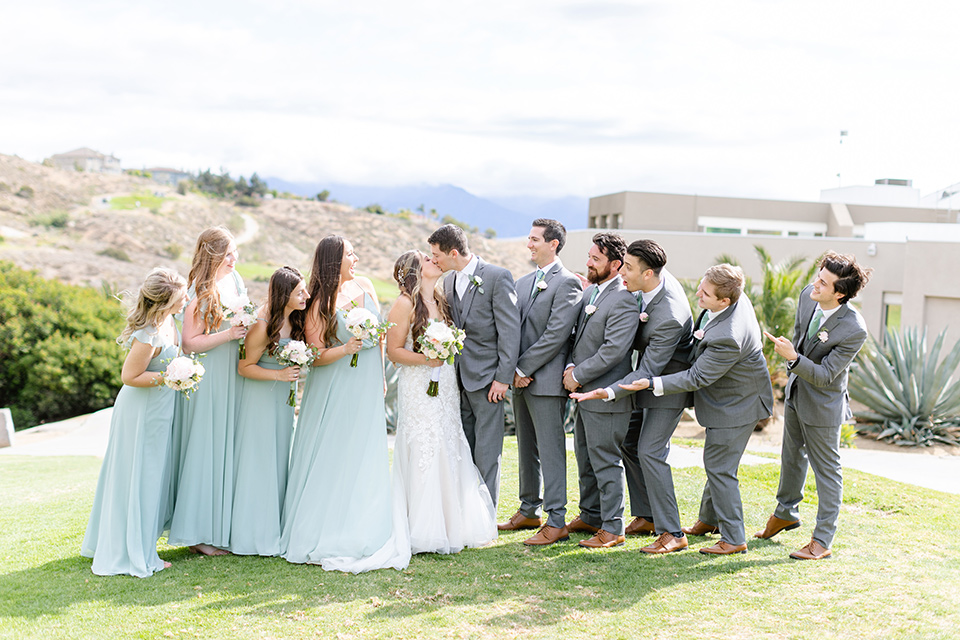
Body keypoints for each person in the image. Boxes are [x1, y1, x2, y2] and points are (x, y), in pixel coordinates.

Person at [614, 264, 774, 555]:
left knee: (720, 467)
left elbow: (696, 377)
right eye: (701, 286)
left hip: (738, 404)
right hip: (729, 397)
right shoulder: (730, 297)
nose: (697, 294)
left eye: (706, 293)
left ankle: (734, 538)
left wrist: (651, 382)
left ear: (725, 301)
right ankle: (709, 521)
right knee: (719, 464)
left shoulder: (728, 336)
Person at [280, 235, 409, 572]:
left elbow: (379, 336)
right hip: (335, 385)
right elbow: (315, 355)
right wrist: (346, 349)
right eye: (351, 254)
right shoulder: (319, 302)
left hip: (366, 381)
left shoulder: (365, 284)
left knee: (364, 449)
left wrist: (380, 375)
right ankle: (330, 525)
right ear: (334, 261)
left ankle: (366, 520)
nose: (357, 258)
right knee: (336, 450)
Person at [573, 239, 695, 554]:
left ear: (650, 274)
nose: (622, 272)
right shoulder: (651, 283)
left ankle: (673, 532)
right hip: (643, 379)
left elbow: (649, 370)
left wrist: (608, 391)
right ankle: (647, 516)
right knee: (628, 442)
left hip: (666, 385)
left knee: (651, 451)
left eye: (628, 268)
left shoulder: (668, 314)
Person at [757, 251, 871, 560]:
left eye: (823, 282)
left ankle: (822, 540)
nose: (814, 285)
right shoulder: (809, 297)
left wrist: (792, 358)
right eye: (817, 277)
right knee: (791, 457)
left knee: (827, 471)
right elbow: (799, 339)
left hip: (823, 405)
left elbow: (824, 375)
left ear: (840, 293)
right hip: (796, 394)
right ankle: (785, 514)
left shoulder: (854, 328)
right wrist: (792, 357)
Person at [384, 250, 497, 554]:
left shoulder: (441, 299)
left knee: (449, 443)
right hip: (419, 385)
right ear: (415, 270)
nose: (435, 260)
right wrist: (426, 359)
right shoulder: (405, 303)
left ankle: (453, 524)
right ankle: (424, 528)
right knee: (425, 445)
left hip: (445, 383)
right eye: (427, 259)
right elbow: (393, 351)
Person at [81, 268, 188, 577]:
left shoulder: (169, 321)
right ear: (166, 301)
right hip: (141, 410)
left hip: (159, 407)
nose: (185, 302)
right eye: (181, 298)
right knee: (140, 476)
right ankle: (133, 551)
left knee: (151, 476)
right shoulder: (149, 334)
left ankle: (139, 541)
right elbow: (129, 377)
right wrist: (170, 377)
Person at [500, 219, 582, 546]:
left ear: (554, 244)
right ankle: (528, 508)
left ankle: (557, 518)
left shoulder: (568, 283)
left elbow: (555, 336)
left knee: (550, 450)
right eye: (529, 239)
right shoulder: (521, 283)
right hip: (520, 379)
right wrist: (512, 370)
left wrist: (523, 367)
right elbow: (510, 330)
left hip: (546, 380)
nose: (529, 244)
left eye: (535, 239)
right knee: (526, 448)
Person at [168, 227, 248, 556]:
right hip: (208, 374)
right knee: (206, 446)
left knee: (224, 446)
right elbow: (190, 341)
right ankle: (198, 533)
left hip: (232, 371)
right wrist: (230, 335)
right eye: (228, 253)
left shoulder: (235, 281)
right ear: (213, 255)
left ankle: (218, 526)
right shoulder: (199, 291)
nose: (234, 259)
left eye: (235, 253)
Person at [428, 224, 520, 508]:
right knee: (464, 447)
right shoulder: (447, 281)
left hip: (488, 379)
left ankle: (487, 513)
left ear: (453, 252)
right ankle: (465, 511)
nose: (434, 261)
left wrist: (503, 378)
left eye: (436, 256)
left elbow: (510, 330)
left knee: (488, 450)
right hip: (456, 379)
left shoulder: (496, 277)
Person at [563, 233, 638, 549]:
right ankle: (591, 514)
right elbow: (577, 338)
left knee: (606, 461)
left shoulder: (623, 300)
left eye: (595, 258)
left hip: (606, 396)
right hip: (583, 394)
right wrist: (570, 367)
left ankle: (613, 527)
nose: (588, 262)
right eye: (589, 256)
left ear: (615, 264)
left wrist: (577, 375)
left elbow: (613, 351)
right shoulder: (592, 293)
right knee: (586, 458)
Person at [231, 267, 309, 556]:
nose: (306, 296)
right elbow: (244, 367)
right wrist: (278, 376)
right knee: (259, 460)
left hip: (282, 401)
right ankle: (250, 534)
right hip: (260, 399)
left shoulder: (293, 320)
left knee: (277, 459)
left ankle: (273, 527)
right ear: (284, 294)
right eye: (300, 292)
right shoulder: (263, 325)